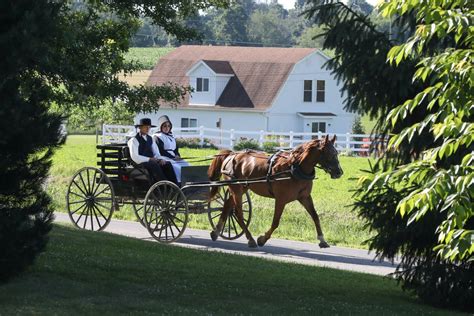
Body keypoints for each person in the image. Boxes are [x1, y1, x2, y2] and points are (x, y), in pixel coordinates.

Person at [127, 117, 177, 184]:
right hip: (139, 163)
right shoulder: (134, 140)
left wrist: (160, 159)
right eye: (145, 127)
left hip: (151, 161)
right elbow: (135, 157)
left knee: (167, 164)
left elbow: (156, 153)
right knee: (154, 164)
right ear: (140, 128)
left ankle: (174, 184)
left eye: (149, 127)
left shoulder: (150, 139)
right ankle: (164, 185)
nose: (148, 129)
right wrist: (149, 159)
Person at [153, 115, 189, 185]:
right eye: (165, 126)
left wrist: (177, 155)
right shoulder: (157, 137)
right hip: (164, 157)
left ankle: (189, 183)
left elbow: (175, 149)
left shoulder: (171, 137)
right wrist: (173, 157)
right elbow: (161, 151)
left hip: (173, 157)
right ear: (161, 127)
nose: (167, 128)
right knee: (179, 168)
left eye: (168, 126)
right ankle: (179, 184)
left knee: (187, 166)